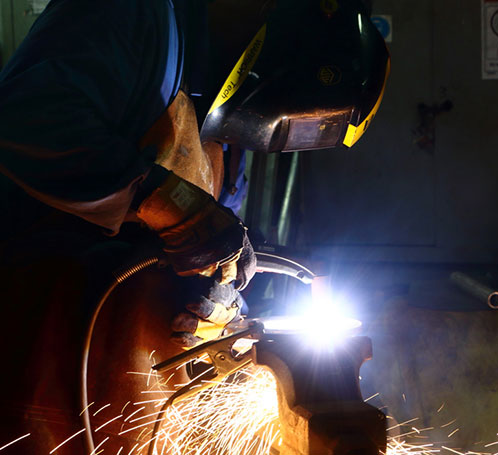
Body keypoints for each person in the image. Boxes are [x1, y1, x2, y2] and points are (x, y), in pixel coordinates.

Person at [0, 0, 389, 452]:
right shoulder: (129, 15)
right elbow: (29, 119)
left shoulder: (222, 130)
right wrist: (171, 202)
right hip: (28, 369)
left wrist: (217, 303)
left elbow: (203, 250)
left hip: (120, 406)